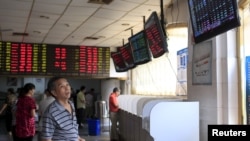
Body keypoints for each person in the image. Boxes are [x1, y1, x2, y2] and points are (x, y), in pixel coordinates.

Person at [40, 76, 85, 141]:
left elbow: (72, 128)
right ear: (54, 92)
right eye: (62, 86)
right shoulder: (50, 112)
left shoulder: (71, 104)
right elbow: (46, 139)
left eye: (67, 84)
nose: (67, 88)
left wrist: (78, 138)